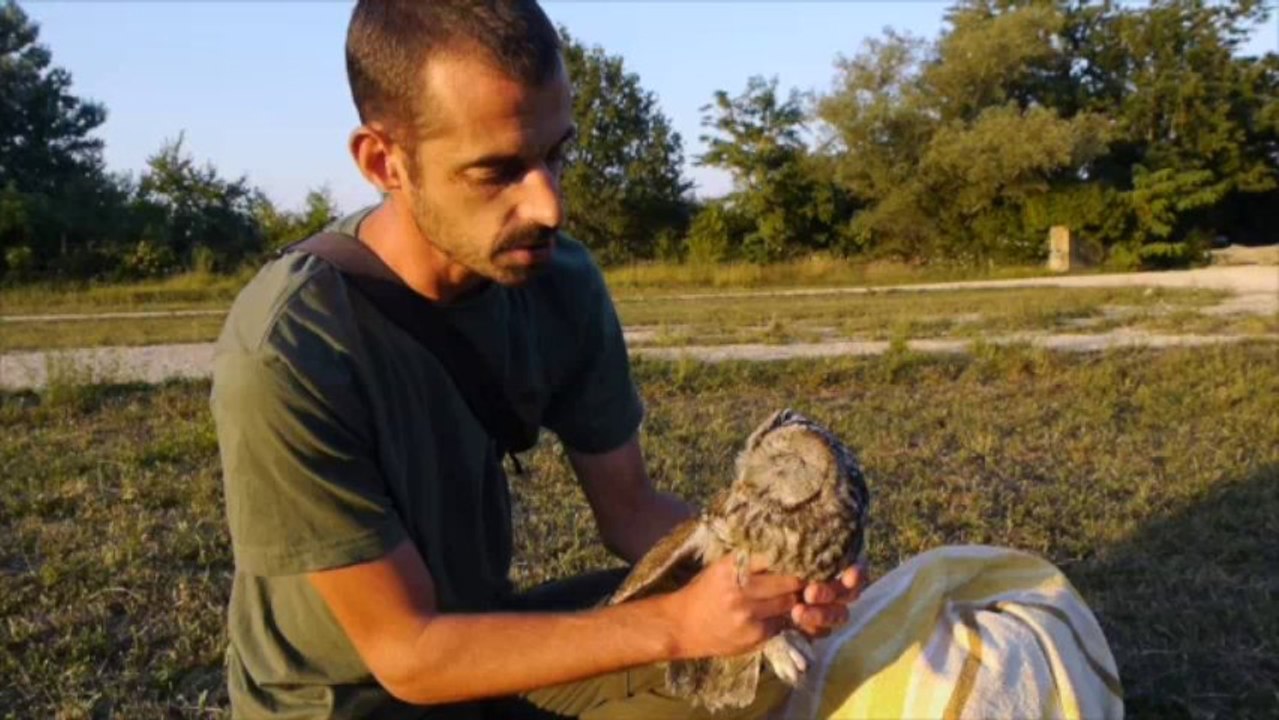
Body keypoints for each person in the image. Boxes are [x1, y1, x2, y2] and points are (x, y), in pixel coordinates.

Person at [209, 1, 866, 717]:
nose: (549, 205)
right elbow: (407, 655)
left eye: (555, 154)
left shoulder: (559, 283)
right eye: (498, 171)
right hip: (350, 701)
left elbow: (631, 511)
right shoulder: (290, 347)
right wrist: (677, 626)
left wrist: (773, 576)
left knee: (769, 660)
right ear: (383, 162)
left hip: (481, 653)